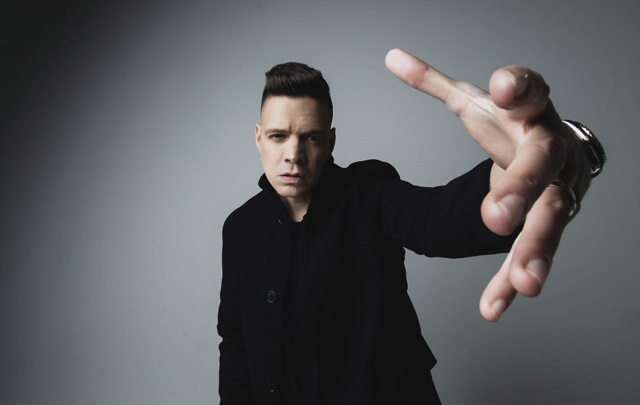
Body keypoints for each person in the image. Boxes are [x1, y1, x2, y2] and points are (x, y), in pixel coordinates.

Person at [217, 48, 605, 404]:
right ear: (259, 138)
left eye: (311, 138)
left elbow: (439, 219)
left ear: (331, 142)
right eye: (278, 136)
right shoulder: (240, 228)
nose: (294, 155)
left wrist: (524, 167)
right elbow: (235, 340)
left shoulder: (369, 194)